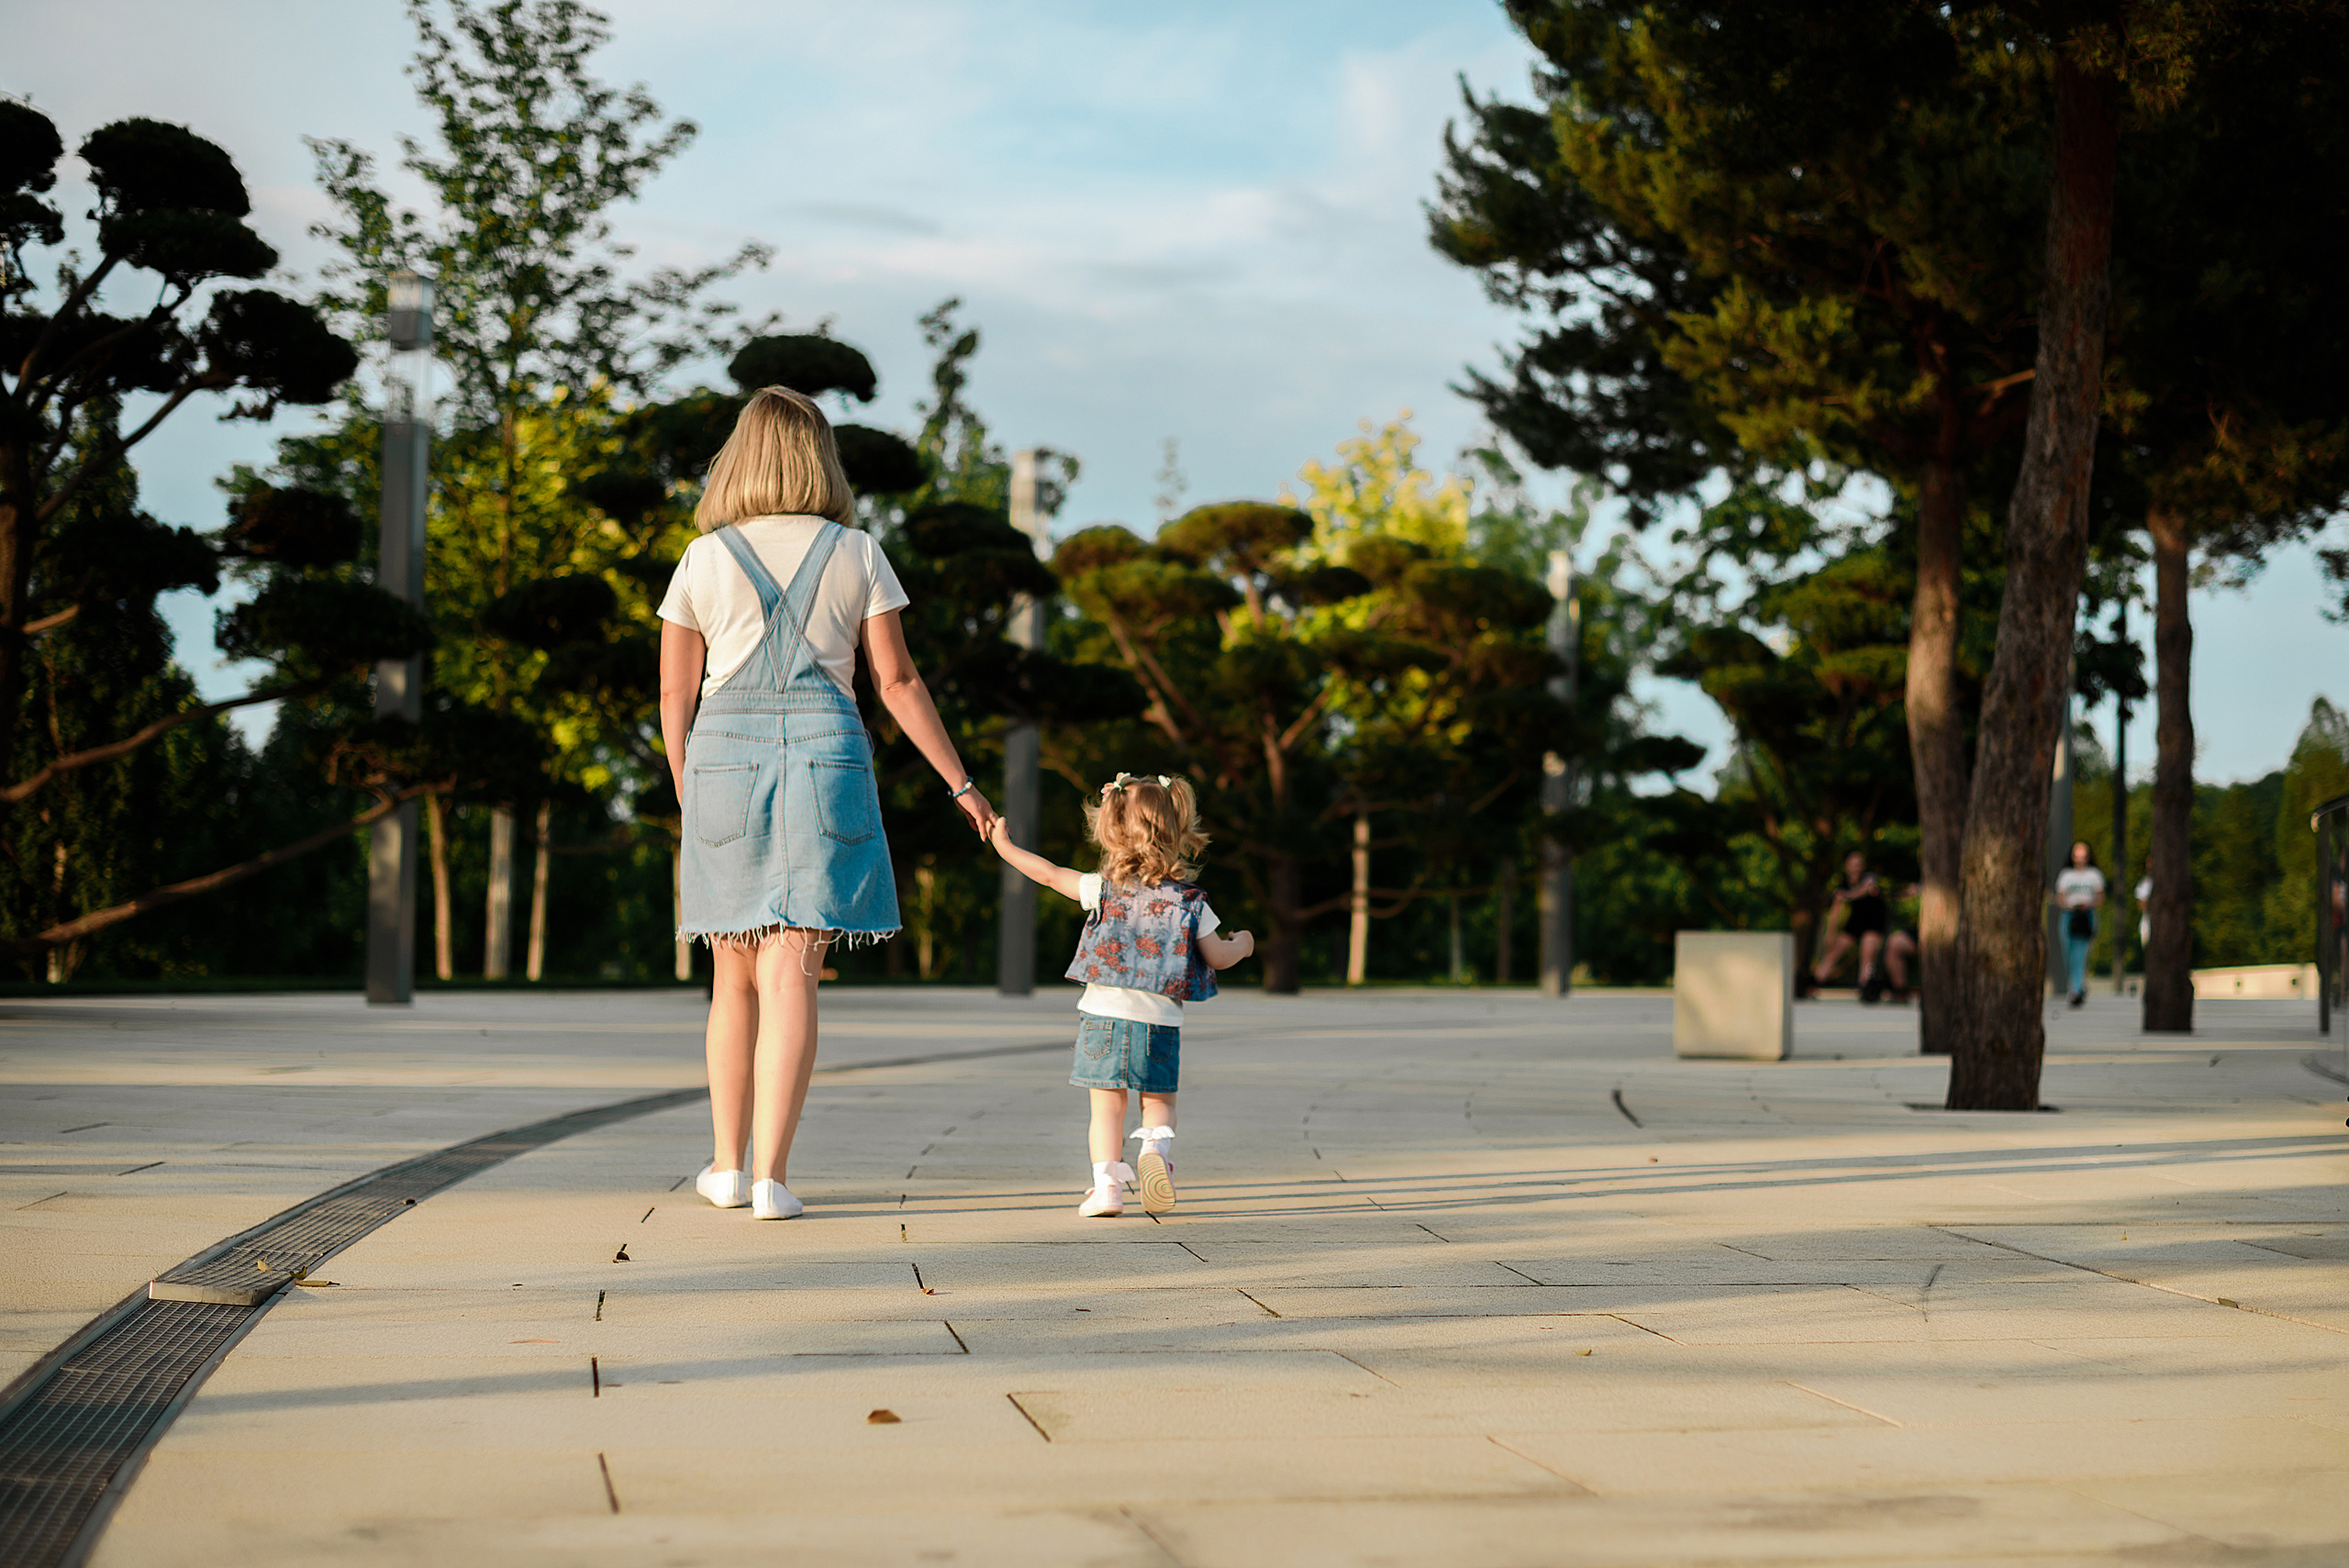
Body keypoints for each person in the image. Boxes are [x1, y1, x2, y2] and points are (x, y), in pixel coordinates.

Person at [659, 386, 995, 1221]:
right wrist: (961, 783)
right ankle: (772, 1178)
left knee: (732, 973)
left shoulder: (702, 557)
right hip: (828, 755)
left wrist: (687, 782)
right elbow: (897, 681)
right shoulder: (858, 552)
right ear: (820, 457)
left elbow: (675, 692)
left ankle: (726, 1167)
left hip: (722, 759)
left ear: (739, 457)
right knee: (794, 971)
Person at [987, 773, 1254, 1218]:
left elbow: (1049, 874)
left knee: (1106, 1108)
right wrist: (1243, 943)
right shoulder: (1191, 901)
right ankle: (1154, 1150)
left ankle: (1107, 1187)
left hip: (1102, 1017)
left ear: (1112, 828)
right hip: (1160, 1023)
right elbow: (1219, 956)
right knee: (1159, 1101)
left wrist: (1006, 848)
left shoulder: (1101, 888)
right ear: (1176, 830)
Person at [1807, 851, 1892, 1002]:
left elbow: (1865, 890)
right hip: (1856, 921)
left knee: (1867, 954)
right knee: (1833, 952)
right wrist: (1830, 934)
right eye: (1853, 864)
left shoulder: (1869, 877)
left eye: (1858, 864)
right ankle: (1813, 984)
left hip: (1873, 921)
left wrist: (1848, 896)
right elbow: (1835, 912)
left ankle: (1865, 988)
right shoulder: (1842, 884)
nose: (1856, 868)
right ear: (1847, 866)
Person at [2055, 840, 2107, 1008]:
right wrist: (2070, 905)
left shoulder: (2094, 874)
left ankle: (2076, 989)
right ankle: (2077, 985)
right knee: (2068, 953)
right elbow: (2060, 896)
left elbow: (2100, 896)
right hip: (2069, 916)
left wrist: (2088, 904)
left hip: (2086, 916)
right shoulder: (2066, 875)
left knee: (2081, 953)